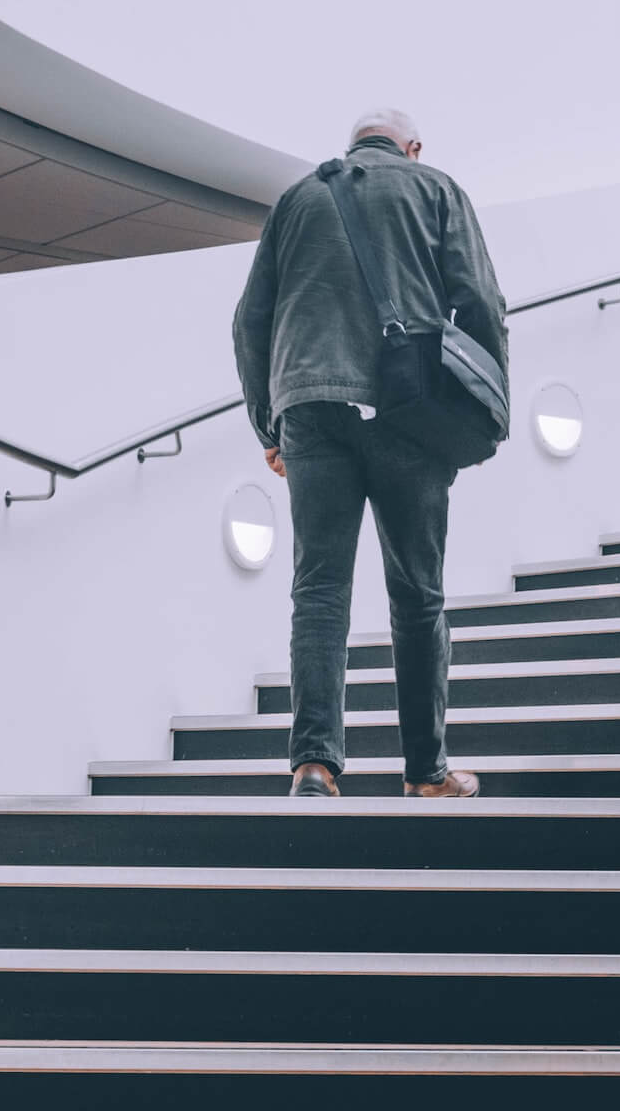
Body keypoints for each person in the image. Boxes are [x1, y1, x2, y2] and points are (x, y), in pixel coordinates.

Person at [233, 108, 509, 798]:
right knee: (417, 595)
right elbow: (481, 301)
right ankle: (425, 774)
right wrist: (485, 406)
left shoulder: (297, 199)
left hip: (310, 408)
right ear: (411, 147)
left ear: (353, 142)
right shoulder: (434, 188)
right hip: (406, 409)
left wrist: (270, 425)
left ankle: (314, 765)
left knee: (319, 589)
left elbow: (249, 321)